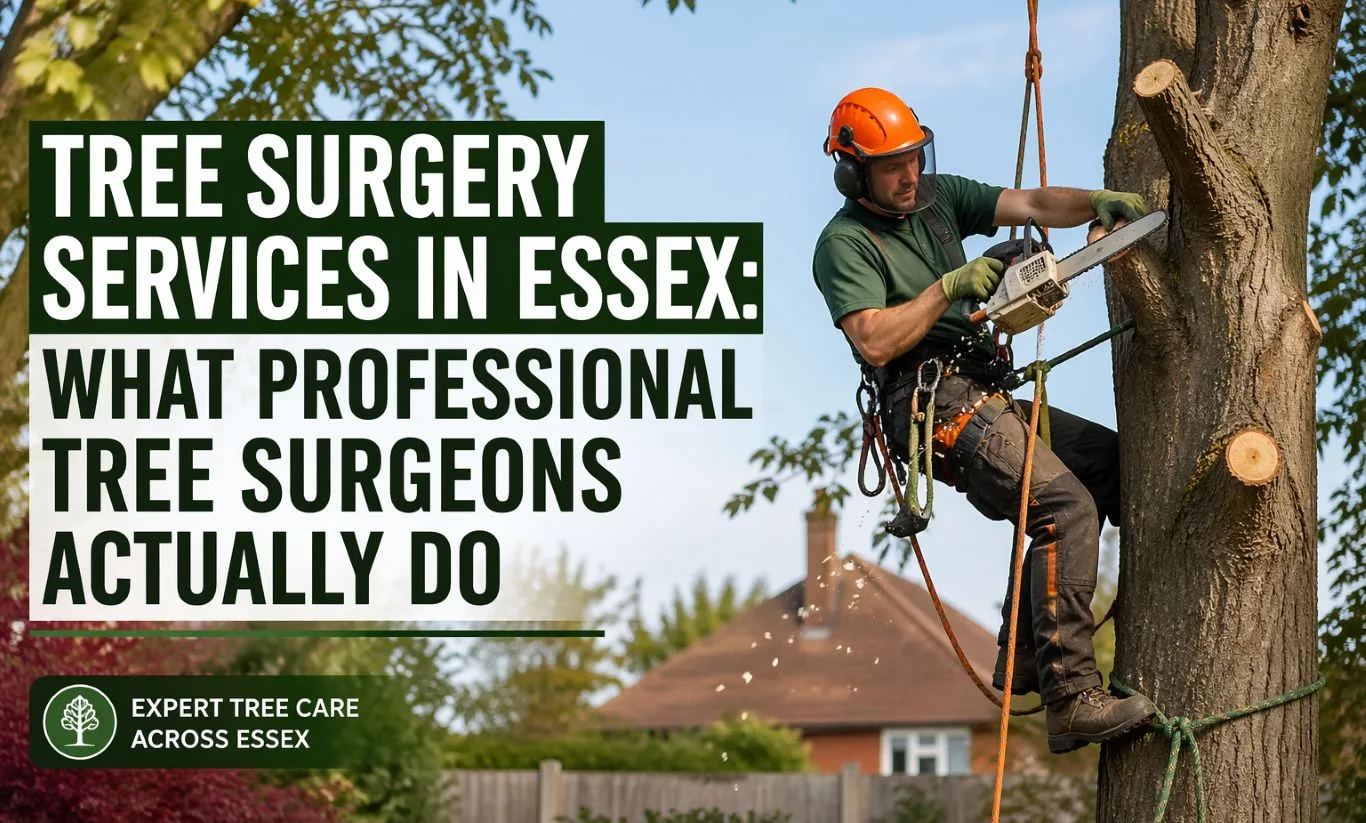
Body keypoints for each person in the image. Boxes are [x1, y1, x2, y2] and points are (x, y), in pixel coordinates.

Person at [810, 86, 1157, 755]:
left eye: (915, 158)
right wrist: (948, 286)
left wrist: (1096, 203)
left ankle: (1026, 654)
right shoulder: (844, 244)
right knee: (1064, 507)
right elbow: (874, 339)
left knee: (1112, 465)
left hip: (985, 389)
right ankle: (1071, 697)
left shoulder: (937, 197)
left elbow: (1026, 203)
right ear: (855, 173)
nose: (910, 175)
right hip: (930, 403)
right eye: (892, 167)